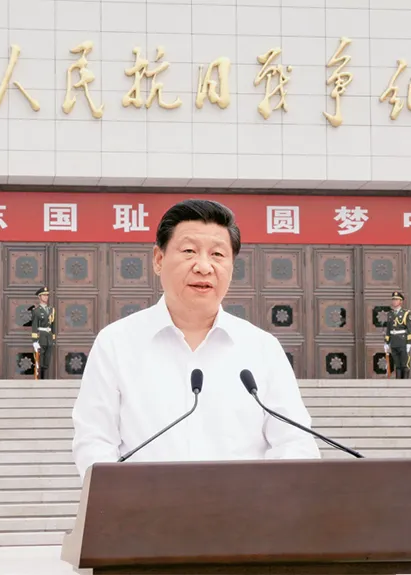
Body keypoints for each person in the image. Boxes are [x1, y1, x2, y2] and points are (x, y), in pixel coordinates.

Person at [71, 199, 320, 478]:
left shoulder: (262, 348)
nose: (204, 266)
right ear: (158, 259)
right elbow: (94, 441)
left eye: (218, 254)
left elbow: (295, 442)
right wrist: (123, 496)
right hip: (146, 505)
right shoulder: (116, 343)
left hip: (243, 505)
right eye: (189, 251)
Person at [384, 291, 411, 379]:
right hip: (394, 342)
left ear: (401, 301)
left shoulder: (406, 313)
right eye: (393, 299)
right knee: (397, 365)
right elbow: (388, 329)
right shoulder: (390, 314)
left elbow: (410, 329)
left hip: (402, 341)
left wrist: (409, 343)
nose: (394, 301)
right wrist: (386, 342)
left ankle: (405, 384)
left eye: (396, 300)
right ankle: (398, 384)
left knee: (404, 364)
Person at [28, 286, 55, 380]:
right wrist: (35, 341)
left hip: (49, 337)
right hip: (41, 337)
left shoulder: (51, 310)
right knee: (40, 360)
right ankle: (40, 380)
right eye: (44, 295)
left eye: (47, 295)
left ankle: (44, 378)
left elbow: (53, 325)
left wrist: (53, 338)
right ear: (39, 297)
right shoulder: (36, 311)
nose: (46, 297)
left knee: (47, 360)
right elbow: (34, 326)